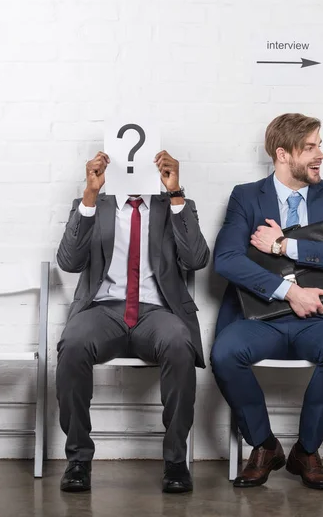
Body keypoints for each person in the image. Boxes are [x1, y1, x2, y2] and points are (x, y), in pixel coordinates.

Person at [211, 113, 323, 490]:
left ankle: (307, 450)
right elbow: (227, 259)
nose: (321, 155)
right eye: (311, 147)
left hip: (320, 317)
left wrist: (285, 244)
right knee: (224, 354)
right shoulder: (246, 196)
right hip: (260, 318)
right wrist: (289, 292)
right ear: (283, 154)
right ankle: (265, 446)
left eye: (320, 145)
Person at [56, 150, 209, 494]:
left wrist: (175, 193)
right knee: (73, 343)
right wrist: (90, 196)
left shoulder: (173, 203)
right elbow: (68, 261)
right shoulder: (98, 204)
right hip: (103, 310)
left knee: (179, 343)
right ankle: (78, 459)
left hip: (157, 312)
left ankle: (175, 461)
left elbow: (196, 259)